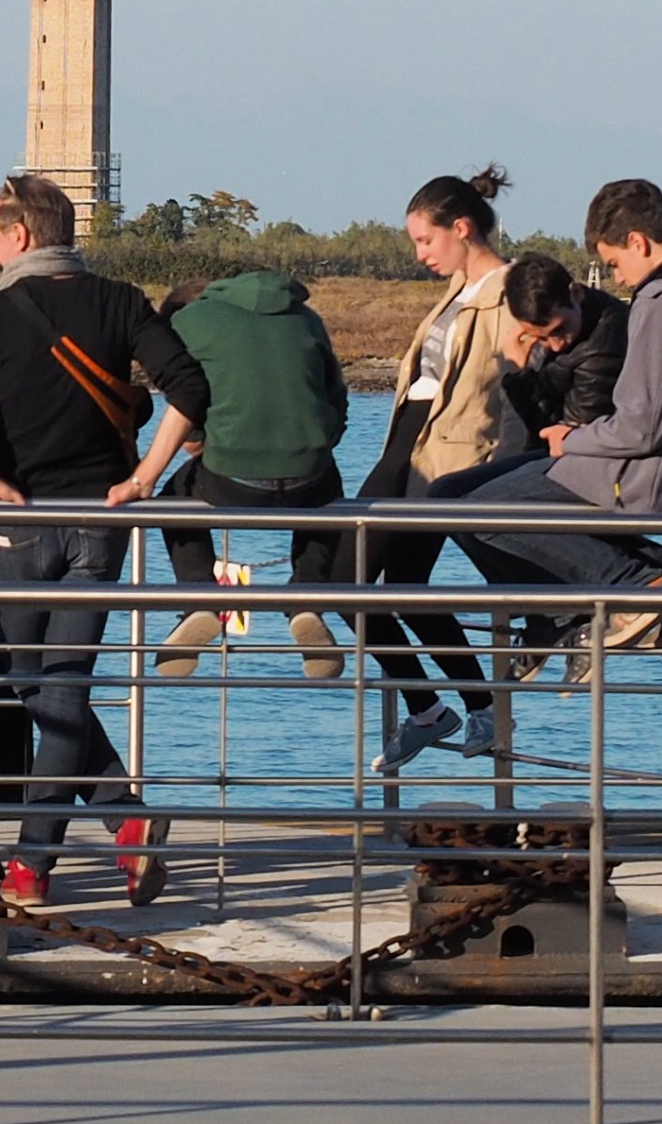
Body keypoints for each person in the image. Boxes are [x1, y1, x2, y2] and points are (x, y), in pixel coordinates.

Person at [0, 174, 210, 908]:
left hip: (16, 522)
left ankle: (32, 866)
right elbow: (191, 391)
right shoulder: (121, 301)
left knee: (44, 688)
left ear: (22, 236)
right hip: (101, 523)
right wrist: (142, 478)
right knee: (51, 689)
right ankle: (127, 822)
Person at [455, 180, 662, 648]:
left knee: (479, 511)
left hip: (651, 473)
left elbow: (640, 426)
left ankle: (638, 589)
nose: (619, 279)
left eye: (615, 263)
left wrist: (571, 439)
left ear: (638, 242)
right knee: (464, 493)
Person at [330, 167, 528, 774]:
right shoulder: (459, 291)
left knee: (352, 583)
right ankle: (447, 708)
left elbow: (517, 388)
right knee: (378, 588)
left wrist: (510, 470)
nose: (420, 255)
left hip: (449, 457)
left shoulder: (510, 290)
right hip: (405, 446)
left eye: (426, 241)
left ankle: (453, 708)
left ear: (460, 228)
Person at [428, 252, 629, 677]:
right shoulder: (555, 339)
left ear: (575, 293)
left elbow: (569, 435)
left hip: (591, 465)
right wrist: (518, 373)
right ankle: (544, 613)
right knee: (441, 496)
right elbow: (542, 427)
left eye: (559, 331)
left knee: (480, 506)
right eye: (542, 337)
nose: (556, 344)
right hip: (557, 452)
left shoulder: (605, 340)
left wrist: (521, 376)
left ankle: (558, 613)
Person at [141, 269, 349, 680]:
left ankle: (199, 597)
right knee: (332, 494)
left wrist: (200, 436)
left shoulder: (188, 323)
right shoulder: (306, 317)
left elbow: (188, 407)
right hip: (309, 475)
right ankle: (306, 598)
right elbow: (335, 398)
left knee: (172, 496)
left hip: (229, 479)